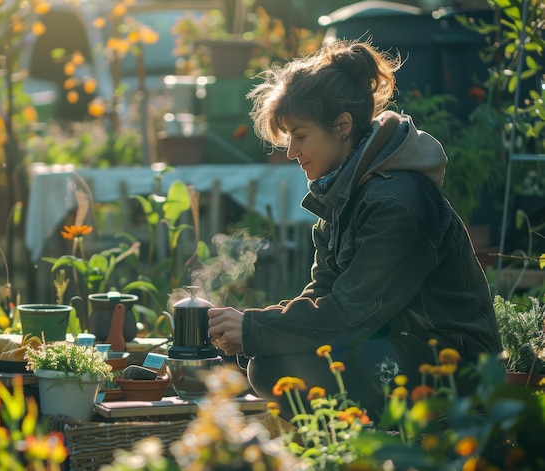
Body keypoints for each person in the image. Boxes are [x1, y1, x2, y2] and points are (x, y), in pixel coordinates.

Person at [207, 39, 502, 420]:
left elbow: (351, 313)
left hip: (453, 364)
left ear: (342, 126)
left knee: (275, 369)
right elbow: (323, 294)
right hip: (393, 344)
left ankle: (365, 445)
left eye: (300, 135)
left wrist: (254, 328)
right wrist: (249, 331)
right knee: (267, 359)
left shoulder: (395, 202)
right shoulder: (343, 194)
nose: (292, 152)